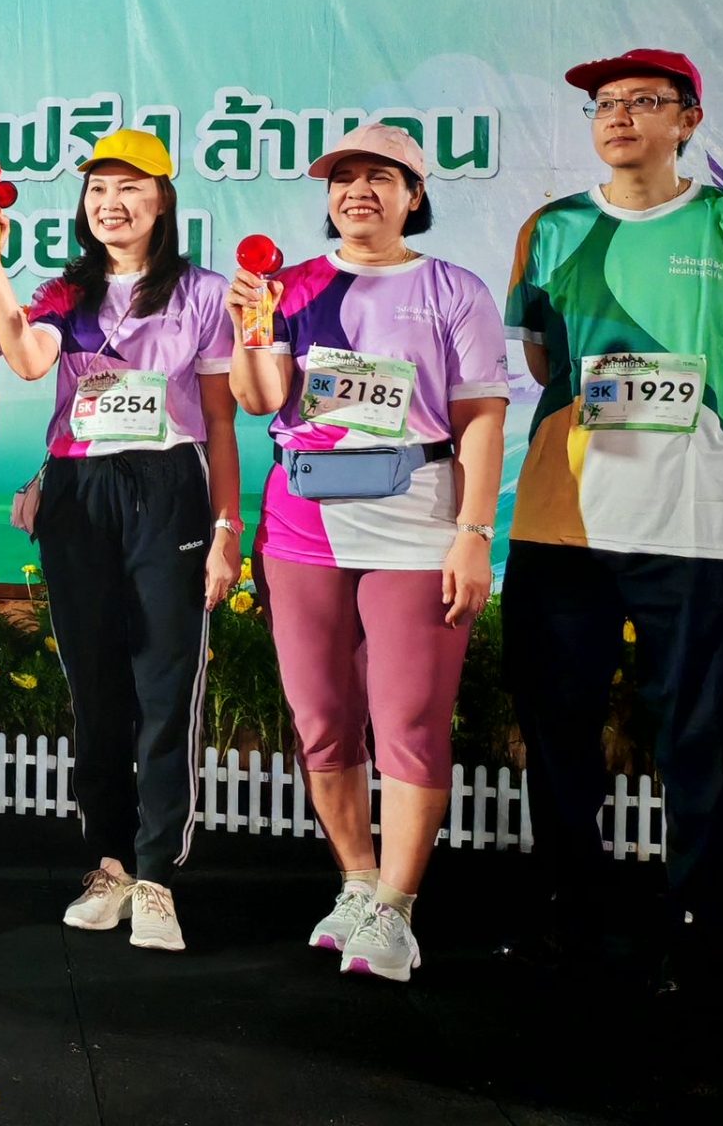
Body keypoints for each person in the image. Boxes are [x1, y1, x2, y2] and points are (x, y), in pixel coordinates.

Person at [502, 50, 723, 992]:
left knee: (700, 732)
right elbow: (543, 356)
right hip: (563, 519)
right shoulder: (552, 227)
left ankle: (698, 925)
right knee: (558, 727)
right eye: (605, 104)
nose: (619, 116)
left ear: (689, 120)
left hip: (693, 521)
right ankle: (572, 910)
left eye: (643, 101)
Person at [222, 124, 506, 981]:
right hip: (302, 523)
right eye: (343, 178)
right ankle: (355, 882)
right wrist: (252, 327)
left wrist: (473, 534)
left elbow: (481, 419)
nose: (359, 191)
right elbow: (257, 400)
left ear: (414, 196)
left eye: (381, 177)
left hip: (417, 519)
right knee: (321, 717)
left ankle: (396, 909)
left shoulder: (454, 289)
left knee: (409, 722)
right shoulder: (291, 286)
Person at [0, 127, 240, 952]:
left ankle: (157, 875)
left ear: (163, 200)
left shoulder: (202, 293)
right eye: (97, 190)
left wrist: (226, 527)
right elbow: (26, 359)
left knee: (164, 682)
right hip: (79, 491)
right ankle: (111, 864)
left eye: (129, 188)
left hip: (168, 488)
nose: (111, 204)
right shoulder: (65, 290)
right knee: (94, 685)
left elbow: (221, 420)